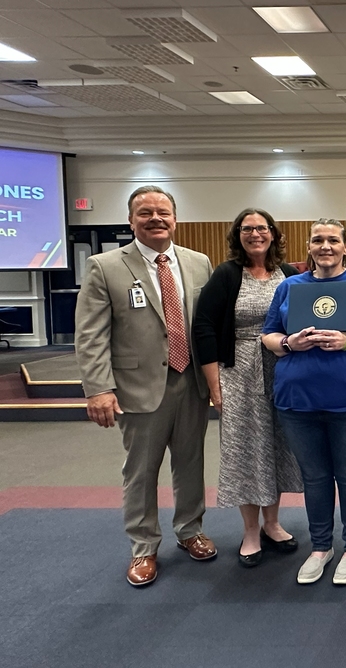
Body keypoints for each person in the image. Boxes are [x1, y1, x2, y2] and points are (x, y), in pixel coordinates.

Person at [75, 185, 216, 587]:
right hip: (137, 386)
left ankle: (190, 531)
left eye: (163, 212)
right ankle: (143, 547)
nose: (155, 219)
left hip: (190, 383)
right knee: (141, 472)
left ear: (175, 218)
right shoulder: (105, 266)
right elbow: (90, 335)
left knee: (190, 463)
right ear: (130, 220)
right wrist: (98, 389)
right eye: (145, 213)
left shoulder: (198, 262)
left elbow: (204, 325)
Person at [262, 219, 346, 585]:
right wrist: (290, 344)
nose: (325, 246)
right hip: (298, 400)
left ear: (344, 246)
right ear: (309, 245)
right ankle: (321, 547)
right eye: (318, 239)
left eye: (333, 240)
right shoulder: (289, 286)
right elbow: (268, 335)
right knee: (315, 477)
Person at [193, 208, 304, 568]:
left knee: (275, 446)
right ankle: (251, 530)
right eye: (247, 228)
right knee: (245, 449)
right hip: (237, 371)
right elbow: (204, 327)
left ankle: (272, 523)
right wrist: (214, 384)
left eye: (262, 228)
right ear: (237, 235)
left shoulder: (287, 274)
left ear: (273, 233)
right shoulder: (227, 274)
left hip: (281, 369)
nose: (255, 234)